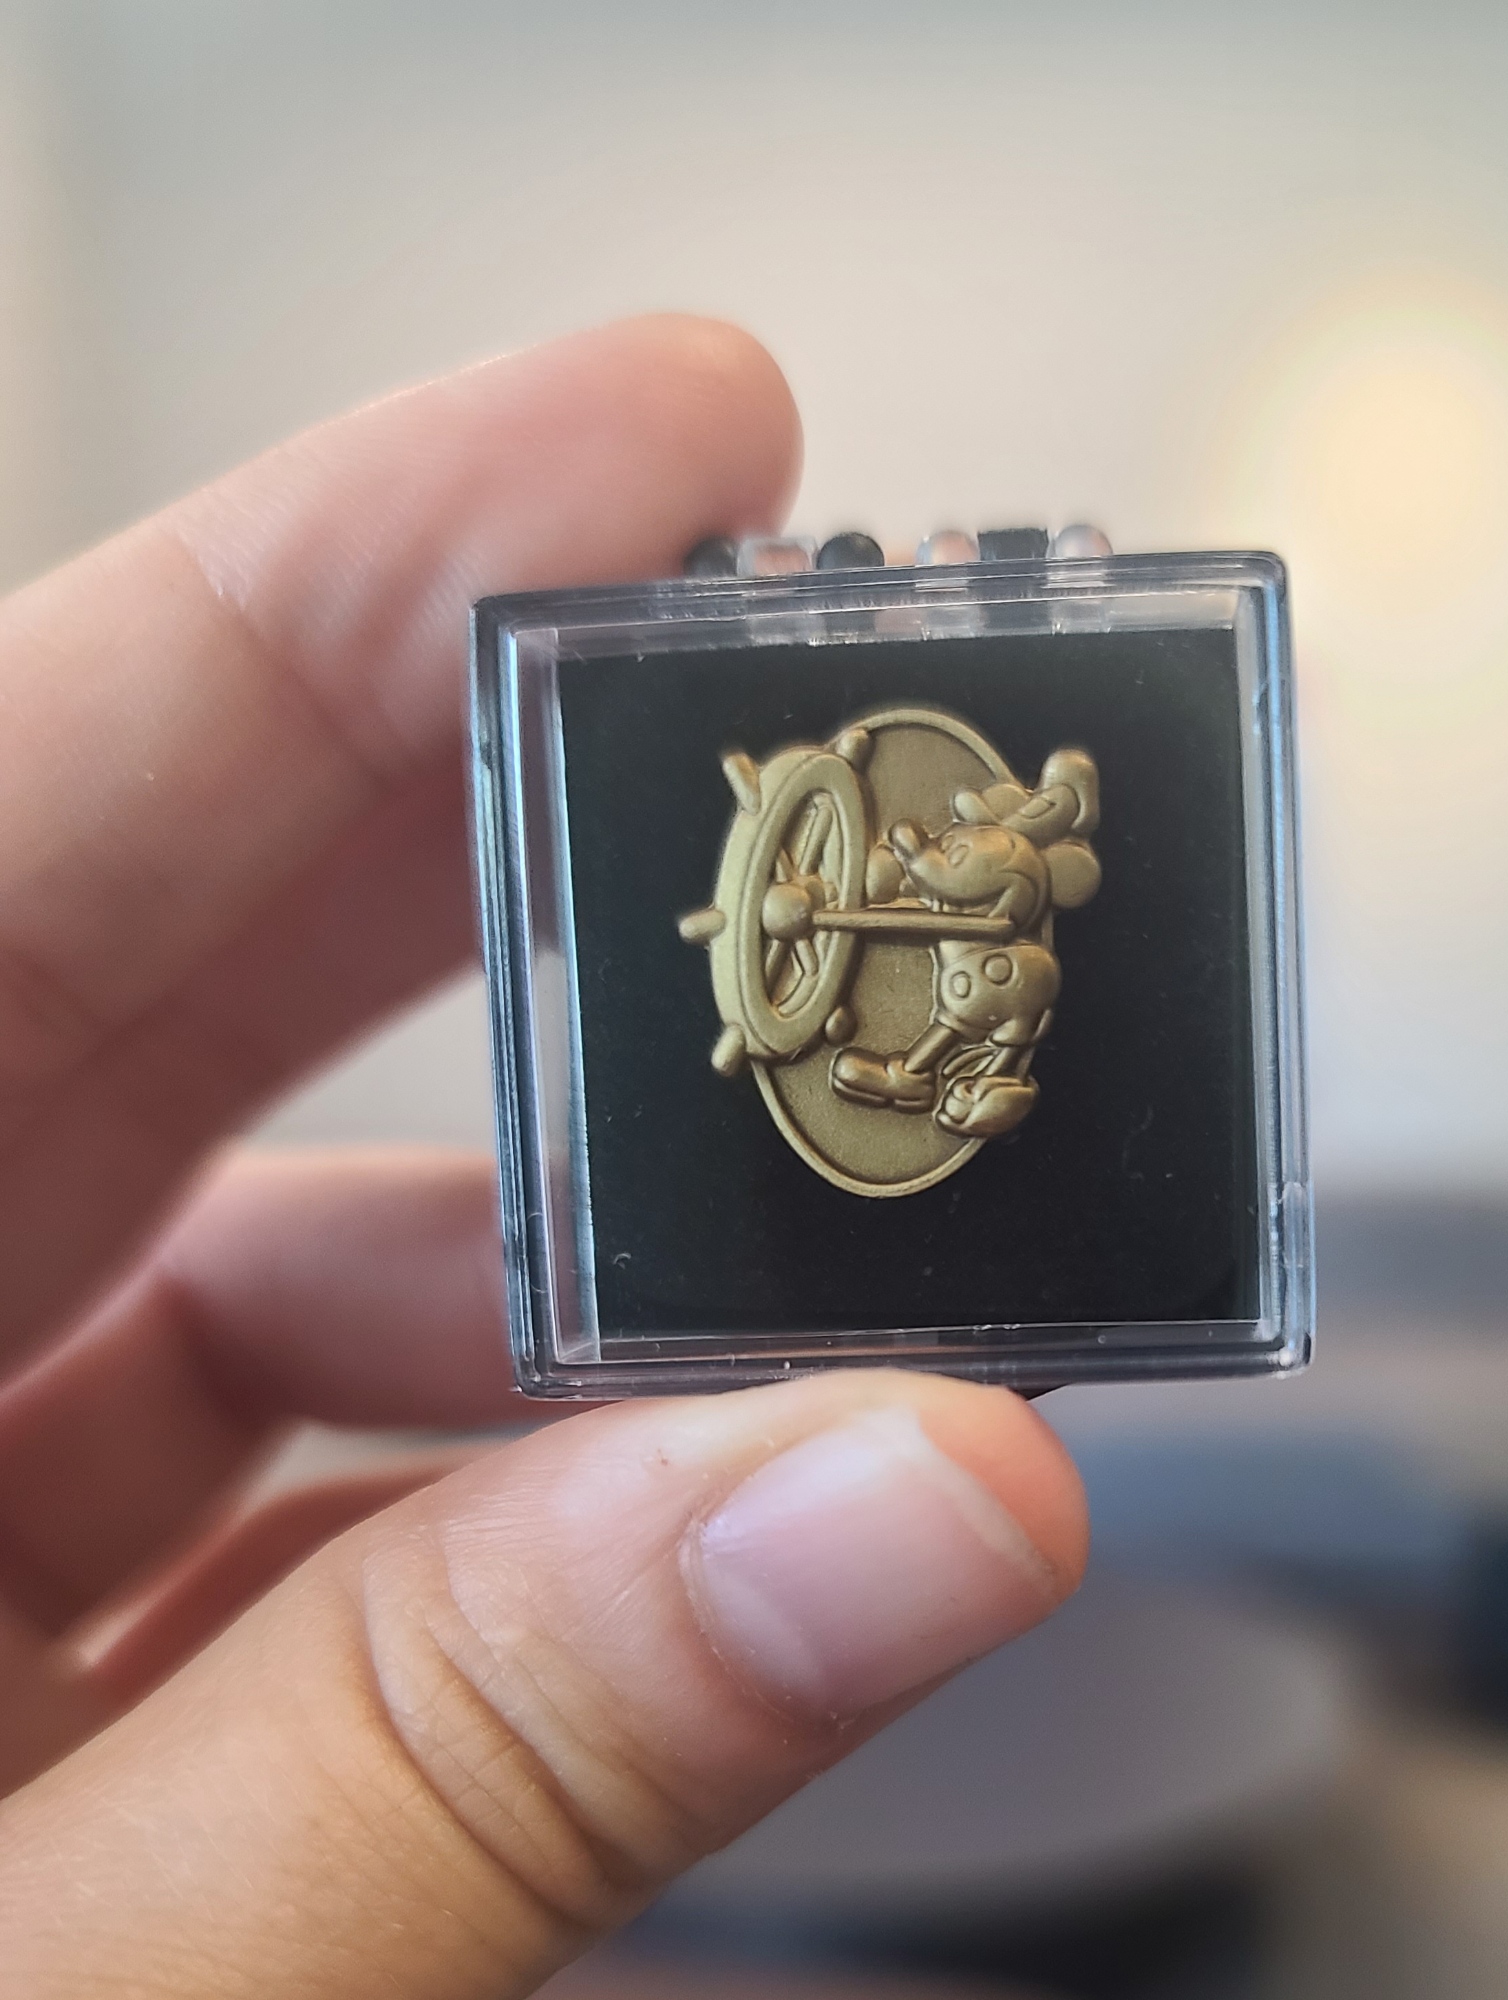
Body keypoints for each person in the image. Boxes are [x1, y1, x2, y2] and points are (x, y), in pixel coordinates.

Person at [0, 317, 1089, 1998]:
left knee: (941, 1040)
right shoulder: (924, 841)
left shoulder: (1000, 886)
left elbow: (972, 896)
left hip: (914, 1018)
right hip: (827, 939)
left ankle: (899, 1054)